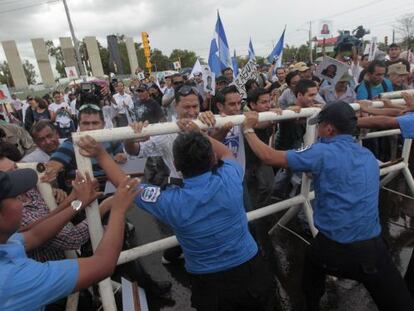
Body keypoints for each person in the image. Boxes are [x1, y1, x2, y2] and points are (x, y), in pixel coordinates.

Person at [77, 128, 276, 311]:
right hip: (252, 269)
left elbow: (126, 185)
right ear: (211, 159)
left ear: (176, 166)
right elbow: (227, 153)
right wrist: (197, 132)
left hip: (209, 284)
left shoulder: (170, 201)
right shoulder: (230, 178)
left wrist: (101, 154)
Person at [242, 101, 414, 311]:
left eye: (320, 125)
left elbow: (269, 156)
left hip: (334, 249)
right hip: (374, 249)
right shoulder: (367, 155)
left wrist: (248, 128)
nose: (318, 129)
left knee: (312, 273)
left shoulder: (321, 152)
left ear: (329, 128)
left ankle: (311, 304)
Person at [0, 167, 140, 310]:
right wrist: (117, 209)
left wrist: (77, 201)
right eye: (15, 197)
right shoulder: (15, 278)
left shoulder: (7, 243)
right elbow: (102, 265)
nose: (22, 199)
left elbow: (36, 233)